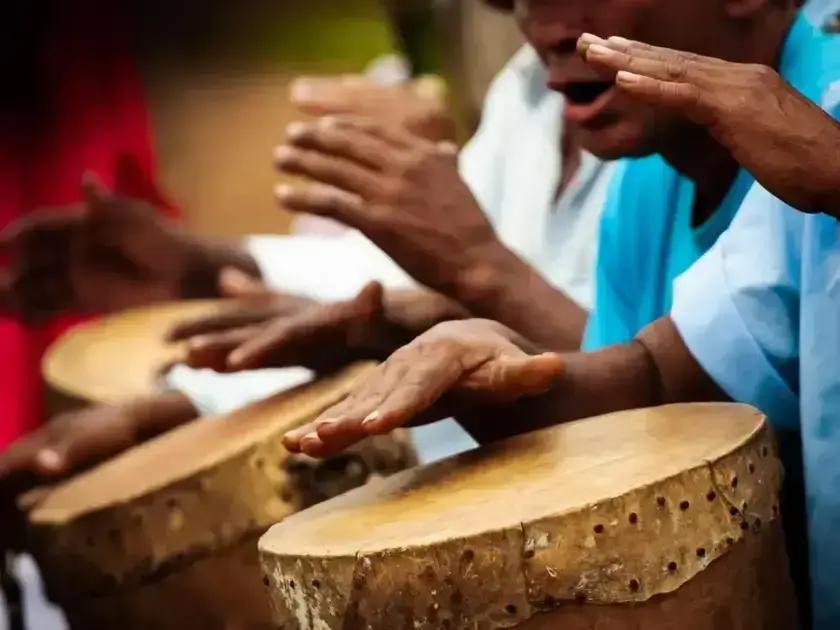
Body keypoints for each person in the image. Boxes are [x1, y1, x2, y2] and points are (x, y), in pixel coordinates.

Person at [276, 41, 840, 628]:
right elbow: (658, 380)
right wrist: (509, 380)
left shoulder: (801, 120)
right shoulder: (669, 165)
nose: (545, 29)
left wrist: (479, 269)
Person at [267, 0, 839, 357]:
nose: (549, 34)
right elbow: (639, 399)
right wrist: (434, 337)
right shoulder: (645, 169)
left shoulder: (819, 122)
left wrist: (477, 268)